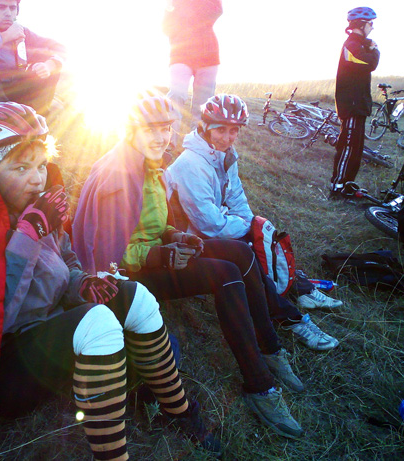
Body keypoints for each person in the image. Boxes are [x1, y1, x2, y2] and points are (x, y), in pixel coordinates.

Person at [0, 102, 221, 460]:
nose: (37, 179)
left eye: (41, 165)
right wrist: (27, 235)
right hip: (1, 371)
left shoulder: (38, 208)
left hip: (47, 335)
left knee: (138, 296)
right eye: (21, 167)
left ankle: (180, 412)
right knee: (98, 322)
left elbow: (65, 262)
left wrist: (82, 283)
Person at [73, 89, 306, 439]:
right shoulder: (118, 178)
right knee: (226, 275)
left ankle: (270, 348)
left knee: (241, 254)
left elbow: (151, 226)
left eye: (165, 128)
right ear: (131, 131)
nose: (160, 137)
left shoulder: (149, 164)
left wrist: (176, 236)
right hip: (130, 277)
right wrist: (160, 255)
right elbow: (107, 255)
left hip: (156, 255)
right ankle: (260, 385)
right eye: (150, 129)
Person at [165, 94, 341, 351]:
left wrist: (252, 226)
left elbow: (236, 197)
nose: (227, 138)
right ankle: (291, 318)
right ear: (205, 127)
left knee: (263, 241)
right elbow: (209, 224)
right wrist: (250, 229)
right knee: (248, 253)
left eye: (233, 131)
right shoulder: (190, 164)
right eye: (221, 130)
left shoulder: (224, 155)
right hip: (189, 240)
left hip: (213, 228)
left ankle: (299, 288)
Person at [330, 7, 380, 198]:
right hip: (351, 105)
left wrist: (368, 45)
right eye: (370, 23)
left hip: (358, 105)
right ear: (361, 24)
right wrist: (375, 49)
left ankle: (347, 184)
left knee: (356, 150)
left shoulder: (358, 44)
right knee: (348, 147)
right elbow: (369, 63)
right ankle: (337, 187)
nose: (372, 27)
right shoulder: (351, 45)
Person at [162, 0, 222, 156]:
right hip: (180, 53)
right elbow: (165, 26)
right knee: (176, 94)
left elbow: (217, 10)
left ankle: (196, 145)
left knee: (203, 104)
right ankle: (168, 140)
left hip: (209, 55)